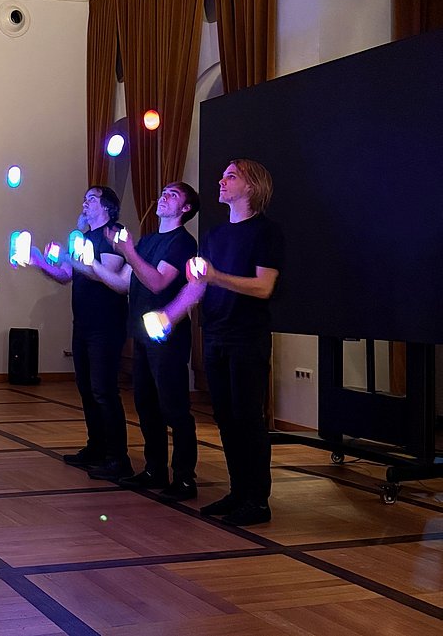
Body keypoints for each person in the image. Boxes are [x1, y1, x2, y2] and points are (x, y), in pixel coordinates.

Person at [154, 159, 283, 526]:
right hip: (215, 335)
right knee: (225, 418)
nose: (221, 181)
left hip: (247, 337)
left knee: (247, 419)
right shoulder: (213, 235)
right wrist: (168, 317)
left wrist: (217, 276)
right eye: (223, 174)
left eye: (231, 176)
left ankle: (257, 500)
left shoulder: (266, 233)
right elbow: (197, 286)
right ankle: (238, 491)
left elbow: (264, 286)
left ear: (252, 187)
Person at [25, 186, 132, 481]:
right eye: (84, 199)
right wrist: (40, 263)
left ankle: (117, 458)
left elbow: (104, 274)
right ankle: (96, 448)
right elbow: (66, 276)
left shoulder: (114, 234)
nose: (85, 203)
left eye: (92, 199)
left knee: (104, 390)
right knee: (86, 388)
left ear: (108, 207)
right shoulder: (85, 239)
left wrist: (72, 258)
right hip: (83, 324)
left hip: (106, 325)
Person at [109, 182, 200, 500]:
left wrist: (129, 252)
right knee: (146, 404)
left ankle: (185, 478)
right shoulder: (148, 240)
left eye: (173, 195)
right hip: (141, 333)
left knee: (174, 407)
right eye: (163, 192)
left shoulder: (183, 243)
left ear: (185, 209)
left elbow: (159, 282)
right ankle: (154, 469)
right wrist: (84, 263)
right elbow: (125, 283)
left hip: (168, 336)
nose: (163, 196)